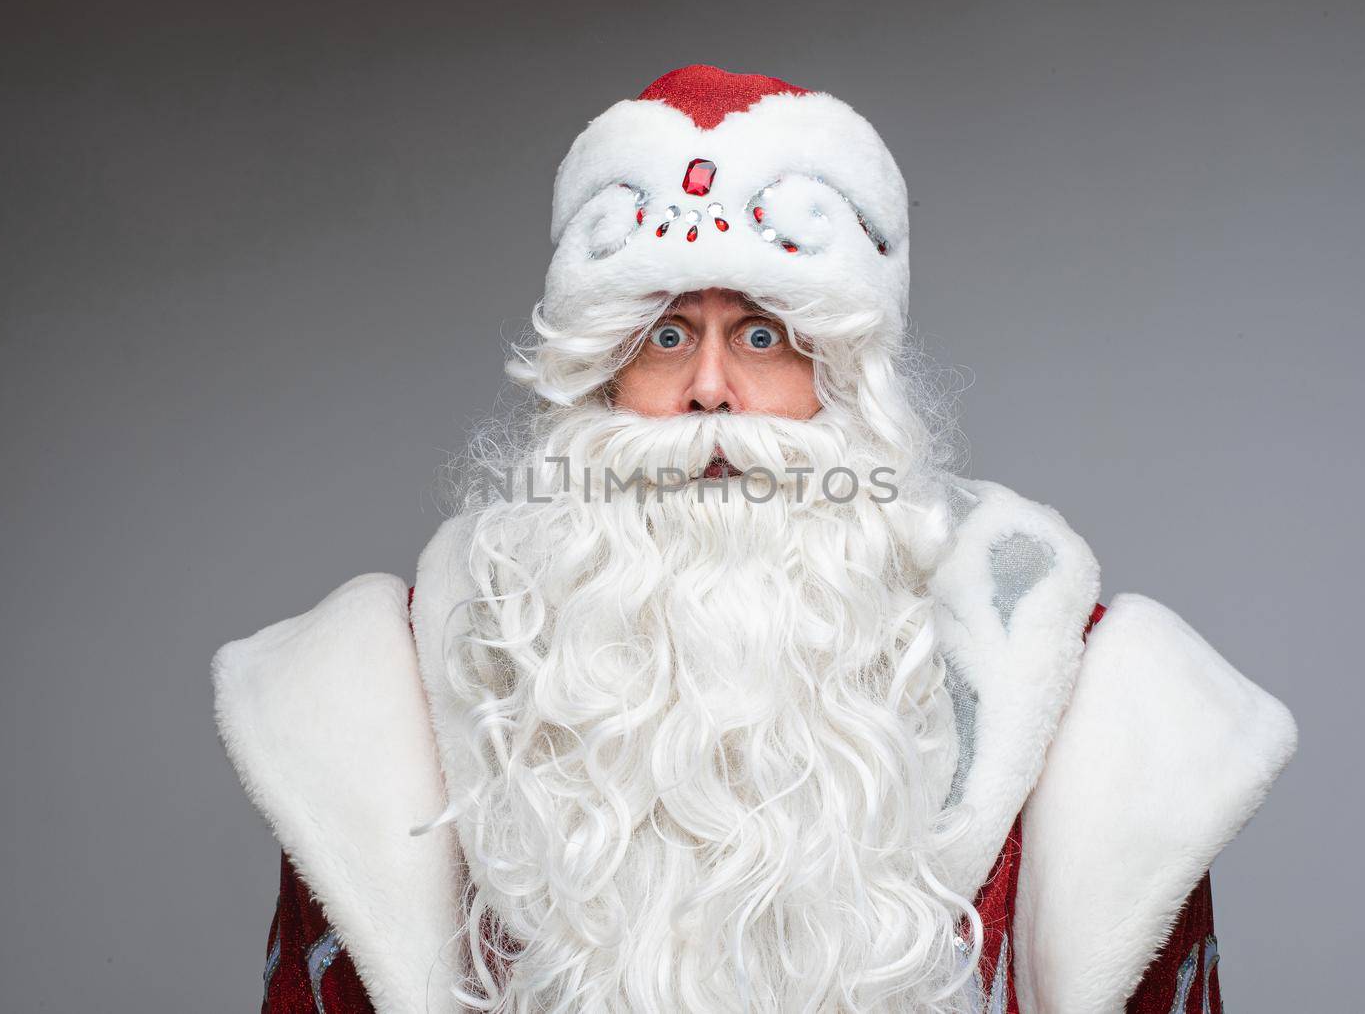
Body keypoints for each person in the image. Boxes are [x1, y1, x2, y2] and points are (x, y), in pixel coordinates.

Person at [213, 65, 1296, 1014]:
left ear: (845, 379)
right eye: (666, 334)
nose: (710, 392)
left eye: (764, 336)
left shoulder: (1068, 691)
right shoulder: (392, 696)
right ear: (598, 375)